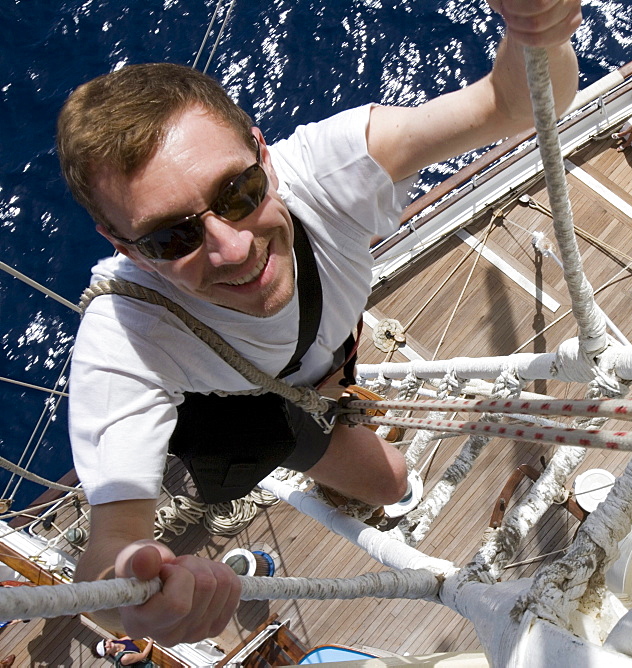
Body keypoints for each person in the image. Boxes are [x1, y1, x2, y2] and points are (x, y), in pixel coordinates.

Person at [56, 0, 581, 647]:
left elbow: (513, 103)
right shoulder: (125, 338)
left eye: (239, 193)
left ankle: (335, 403)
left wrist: (539, 29)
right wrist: (135, 599)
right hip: (251, 415)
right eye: (172, 238)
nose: (233, 248)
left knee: (383, 471)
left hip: (329, 362)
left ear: (261, 150)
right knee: (391, 482)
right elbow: (107, 562)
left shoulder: (329, 173)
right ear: (123, 245)